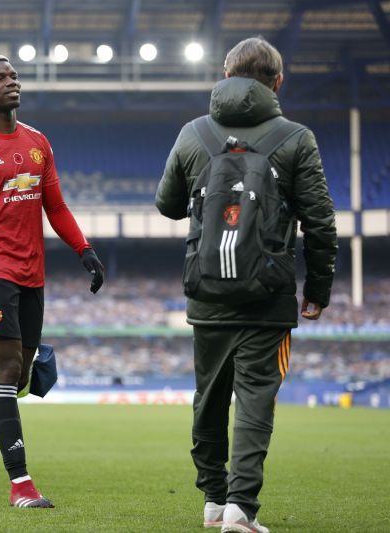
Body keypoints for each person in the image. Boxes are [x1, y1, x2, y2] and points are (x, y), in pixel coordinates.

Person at [155, 37, 337, 533]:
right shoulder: (296, 137)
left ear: (224, 73)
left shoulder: (193, 133)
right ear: (278, 82)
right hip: (268, 293)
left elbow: (167, 204)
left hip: (207, 289)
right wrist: (318, 290)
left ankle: (214, 501)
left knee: (208, 396)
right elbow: (321, 222)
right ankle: (241, 508)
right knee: (256, 397)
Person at [0, 55, 105, 508]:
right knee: (5, 370)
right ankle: (21, 483)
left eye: (12, 76)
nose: (10, 82)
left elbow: (57, 206)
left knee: (19, 376)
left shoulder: (37, 142)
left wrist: (84, 250)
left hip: (33, 274)